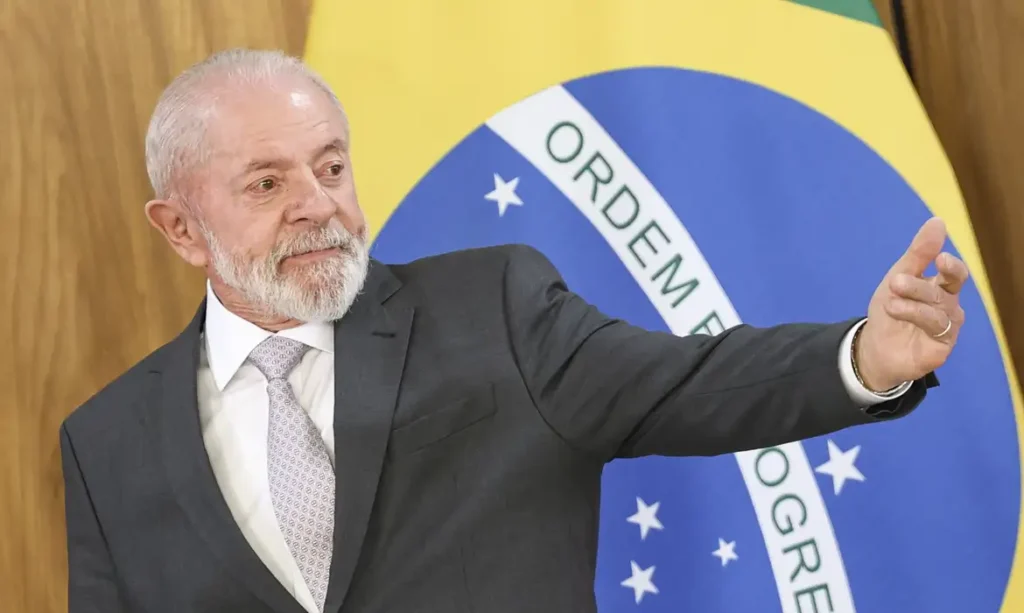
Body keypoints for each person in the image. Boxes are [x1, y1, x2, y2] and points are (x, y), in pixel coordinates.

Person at [59, 48, 967, 613]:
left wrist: (865, 355)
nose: (319, 205)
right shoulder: (106, 444)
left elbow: (690, 384)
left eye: (330, 167)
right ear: (181, 229)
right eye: (267, 183)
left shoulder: (491, 306)